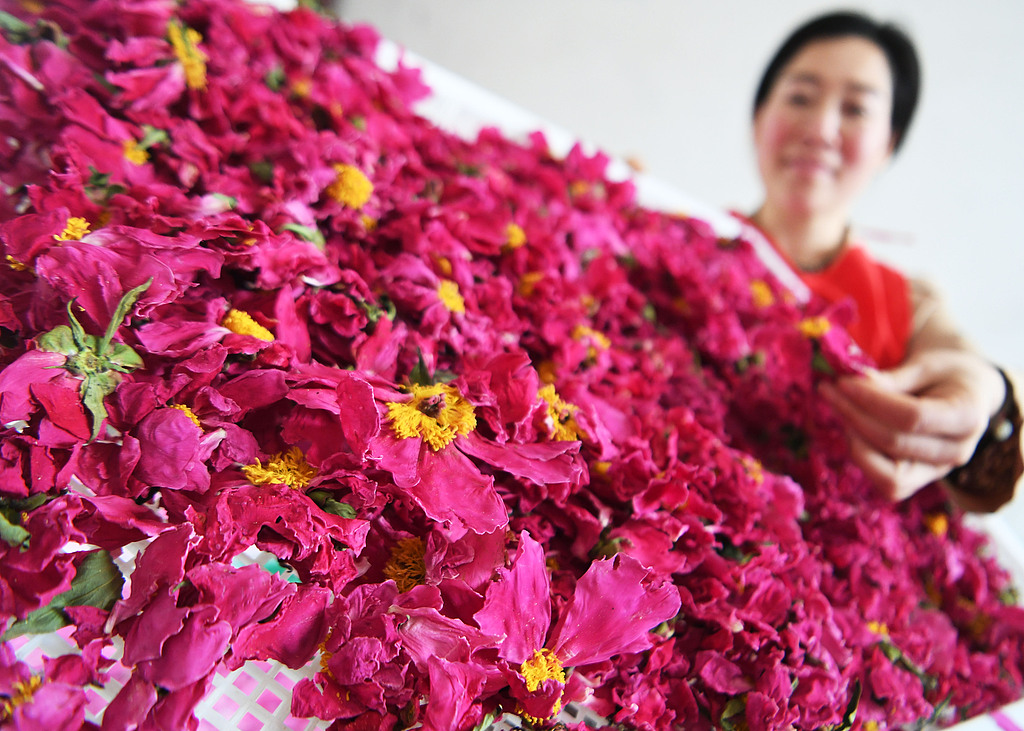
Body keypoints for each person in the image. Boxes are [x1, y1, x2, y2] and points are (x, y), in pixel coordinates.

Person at [734, 10, 1022, 511]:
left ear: (888, 144)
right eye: (800, 97)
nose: (821, 128)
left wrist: (989, 390)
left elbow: (962, 363)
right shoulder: (675, 239)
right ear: (760, 116)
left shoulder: (910, 304)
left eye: (856, 109)